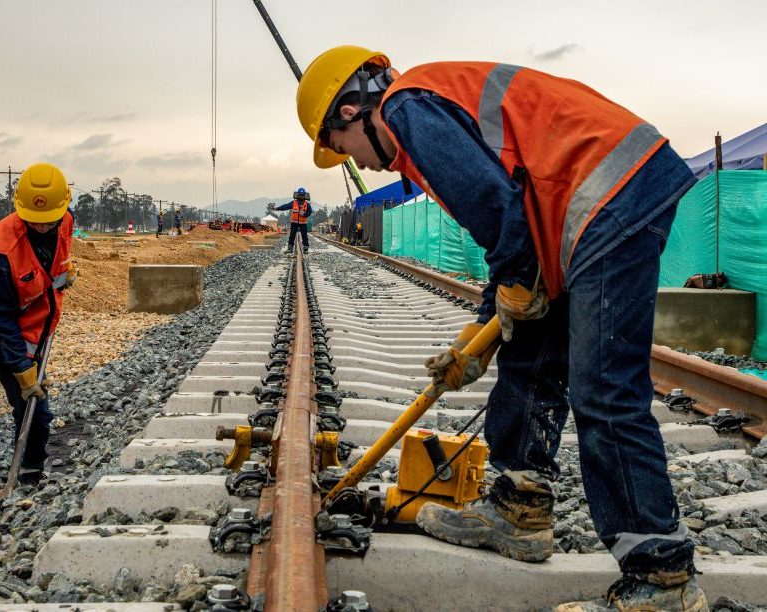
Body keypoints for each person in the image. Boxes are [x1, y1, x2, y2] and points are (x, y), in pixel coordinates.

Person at [296, 47, 704, 611]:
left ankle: (662, 579)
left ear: (350, 110)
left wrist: (512, 285)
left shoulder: (406, 109)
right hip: (583, 199)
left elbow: (495, 206)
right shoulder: (425, 108)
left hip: (607, 187)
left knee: (605, 389)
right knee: (528, 347)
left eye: (346, 151)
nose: (361, 165)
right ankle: (521, 509)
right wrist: (483, 333)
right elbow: (508, 225)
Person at [0, 162, 76, 486]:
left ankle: (30, 471)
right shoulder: (0, 251)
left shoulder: (66, 221)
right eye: (34, 221)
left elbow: (50, 266)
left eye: (48, 221)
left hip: (27, 324)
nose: (41, 227)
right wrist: (20, 366)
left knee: (35, 404)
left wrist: (61, 278)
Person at [273, 188, 313, 254]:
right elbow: (286, 206)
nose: (301, 196)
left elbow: (309, 212)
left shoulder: (307, 204)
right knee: (292, 235)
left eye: (302, 195)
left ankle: (306, 249)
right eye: (300, 195)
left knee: (304, 236)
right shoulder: (294, 202)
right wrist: (277, 208)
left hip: (303, 223)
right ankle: (290, 249)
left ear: (304, 195)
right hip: (294, 222)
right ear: (297, 195)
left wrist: (305, 214)